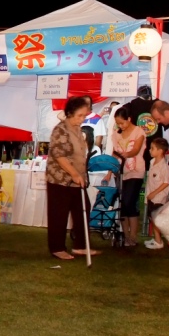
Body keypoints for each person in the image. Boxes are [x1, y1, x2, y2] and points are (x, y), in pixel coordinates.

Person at [46, 97, 99, 260]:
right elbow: (59, 155)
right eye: (79, 115)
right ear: (70, 113)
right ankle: (57, 248)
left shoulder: (77, 129)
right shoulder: (60, 130)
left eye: (84, 115)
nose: (82, 119)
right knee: (59, 214)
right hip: (60, 180)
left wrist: (80, 174)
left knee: (83, 209)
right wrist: (74, 174)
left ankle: (80, 246)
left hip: (77, 179)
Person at [113, 106, 147, 247]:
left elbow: (136, 150)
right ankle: (126, 236)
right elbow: (114, 152)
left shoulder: (139, 132)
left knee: (129, 202)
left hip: (135, 171)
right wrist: (110, 170)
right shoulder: (116, 134)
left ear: (129, 119)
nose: (120, 126)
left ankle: (133, 236)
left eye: (122, 123)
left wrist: (125, 154)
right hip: (121, 172)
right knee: (122, 204)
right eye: (118, 123)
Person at [144, 138, 169, 249]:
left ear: (160, 151)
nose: (150, 150)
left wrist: (154, 193)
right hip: (151, 196)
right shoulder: (152, 162)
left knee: (156, 218)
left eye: (152, 148)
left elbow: (166, 182)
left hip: (158, 197)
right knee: (152, 217)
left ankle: (159, 241)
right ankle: (156, 239)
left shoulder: (164, 166)